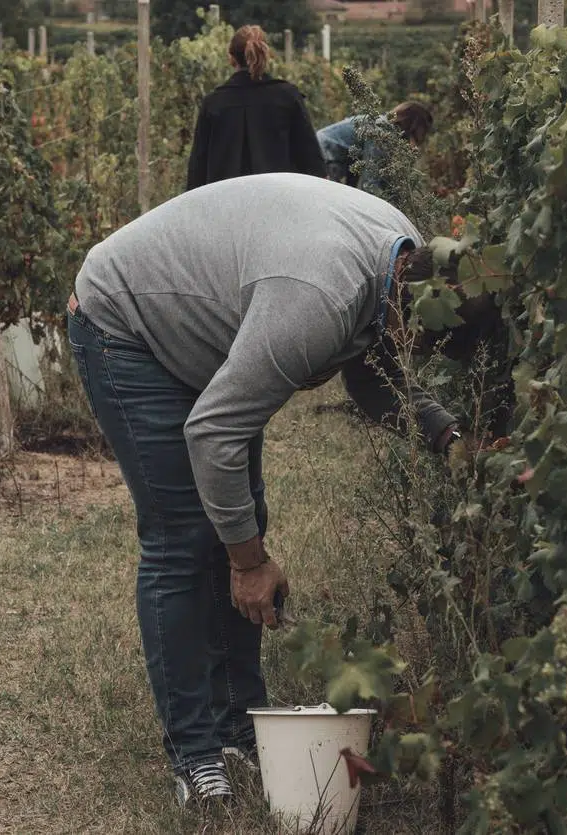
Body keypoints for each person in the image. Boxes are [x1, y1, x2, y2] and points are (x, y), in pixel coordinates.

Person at [67, 173, 479, 806]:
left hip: (208, 326)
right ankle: (197, 757)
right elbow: (214, 433)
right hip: (128, 320)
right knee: (185, 538)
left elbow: (375, 378)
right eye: (422, 348)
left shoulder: (404, 263)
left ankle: (240, 727)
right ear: (416, 313)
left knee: (240, 517)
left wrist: (451, 438)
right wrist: (249, 562)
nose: (413, 354)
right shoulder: (314, 303)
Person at [186, 25, 326, 190]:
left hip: (226, 202)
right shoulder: (287, 97)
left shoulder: (214, 103)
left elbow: (198, 167)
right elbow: (311, 160)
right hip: (278, 198)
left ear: (231, 58)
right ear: (267, 55)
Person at [315, 101, 434, 190]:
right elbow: (371, 180)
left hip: (323, 150)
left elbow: (359, 170)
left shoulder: (382, 126)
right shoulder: (382, 131)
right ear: (414, 125)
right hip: (325, 153)